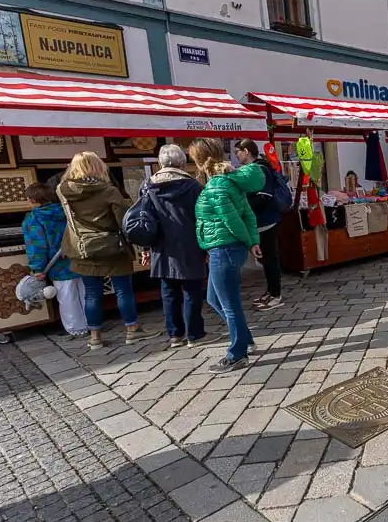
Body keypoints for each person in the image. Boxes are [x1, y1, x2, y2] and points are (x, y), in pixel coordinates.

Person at [58, 152, 159, 351]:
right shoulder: (108, 190)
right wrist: (139, 245)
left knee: (92, 294)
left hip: (82, 247)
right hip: (112, 246)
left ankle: (95, 336)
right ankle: (132, 329)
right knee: (123, 290)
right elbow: (124, 222)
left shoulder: (62, 190)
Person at [190, 139, 264, 373]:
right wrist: (251, 242)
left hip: (224, 248)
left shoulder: (216, 186)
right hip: (224, 248)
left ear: (200, 160)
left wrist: (248, 241)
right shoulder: (225, 181)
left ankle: (237, 353)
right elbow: (248, 214)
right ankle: (245, 338)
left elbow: (232, 220)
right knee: (214, 298)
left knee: (229, 304)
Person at [142, 144, 220, 349]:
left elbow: (145, 219)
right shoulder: (193, 186)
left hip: (161, 245)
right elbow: (203, 217)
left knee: (168, 291)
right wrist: (208, 246)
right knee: (192, 291)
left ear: (161, 162)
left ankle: (175, 335)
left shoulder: (148, 186)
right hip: (190, 243)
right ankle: (195, 334)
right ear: (181, 162)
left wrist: (144, 248)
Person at [22, 182, 88, 338]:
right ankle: (92, 323)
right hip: (78, 259)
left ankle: (76, 329)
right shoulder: (68, 211)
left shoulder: (34, 218)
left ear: (33, 200)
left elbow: (37, 245)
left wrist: (37, 268)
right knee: (85, 293)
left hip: (57, 264)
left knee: (67, 297)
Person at [235, 139, 286, 310]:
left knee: (270, 258)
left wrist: (244, 208)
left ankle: (276, 294)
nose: (237, 155)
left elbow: (264, 195)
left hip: (267, 220)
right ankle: (270, 291)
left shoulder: (261, 168)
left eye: (238, 152)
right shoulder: (253, 169)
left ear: (247, 151)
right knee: (265, 259)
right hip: (260, 221)